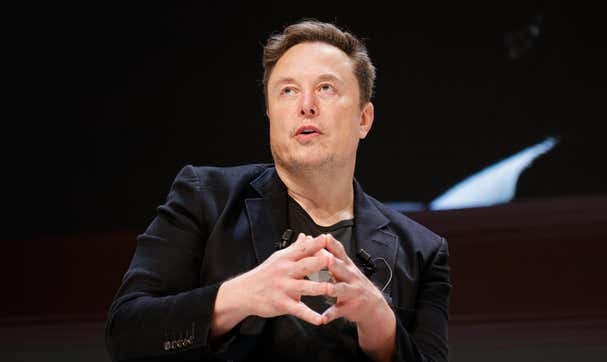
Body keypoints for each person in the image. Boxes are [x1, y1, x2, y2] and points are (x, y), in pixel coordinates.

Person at [105, 19, 451, 362]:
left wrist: (383, 330)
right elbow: (126, 335)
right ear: (271, 114)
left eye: (326, 88)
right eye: (288, 90)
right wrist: (239, 296)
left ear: (364, 118)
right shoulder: (205, 198)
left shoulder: (421, 251)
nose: (306, 105)